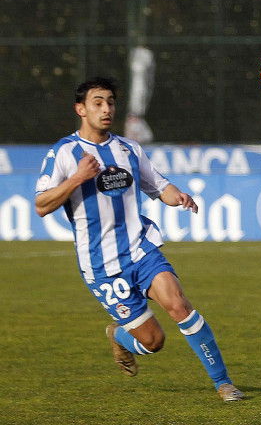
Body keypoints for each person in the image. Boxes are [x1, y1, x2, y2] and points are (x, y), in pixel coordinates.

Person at [34, 77, 244, 401]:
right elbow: (41, 205)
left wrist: (178, 197)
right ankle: (119, 336)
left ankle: (224, 383)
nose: (107, 109)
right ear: (81, 109)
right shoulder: (64, 153)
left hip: (140, 248)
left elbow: (159, 186)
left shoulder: (128, 149)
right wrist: (77, 177)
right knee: (153, 341)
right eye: (98, 103)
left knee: (178, 304)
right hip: (102, 265)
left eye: (111, 103)